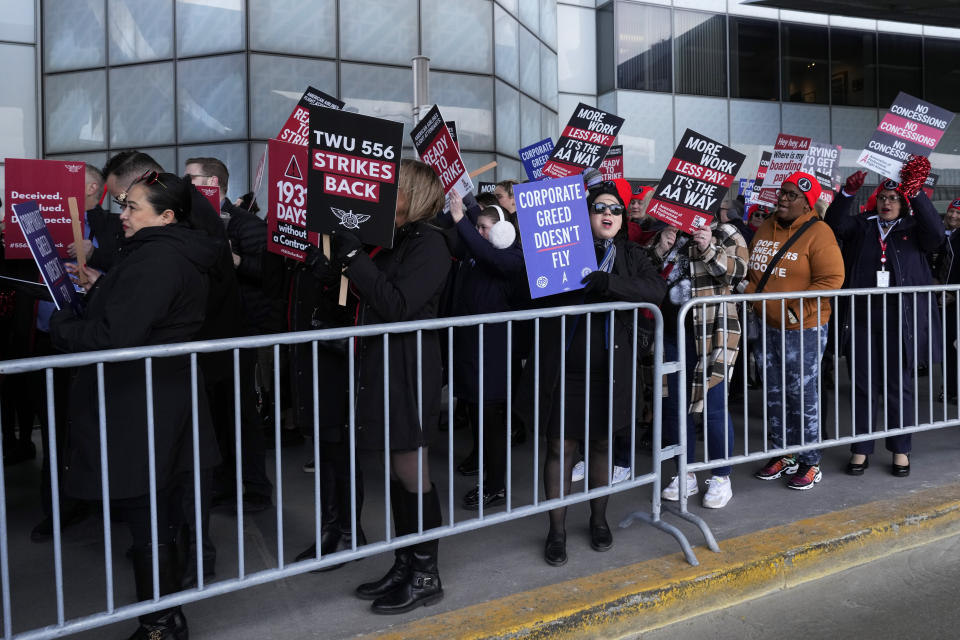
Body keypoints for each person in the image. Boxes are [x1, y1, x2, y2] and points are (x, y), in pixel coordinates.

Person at [49, 171, 221, 640]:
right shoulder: (164, 253)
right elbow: (143, 312)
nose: (121, 216)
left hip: (143, 402)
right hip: (155, 396)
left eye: (132, 208)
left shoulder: (157, 260)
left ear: (167, 216)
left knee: (149, 515)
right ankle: (165, 618)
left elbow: (114, 336)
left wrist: (62, 322)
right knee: (154, 512)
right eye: (123, 206)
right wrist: (102, 286)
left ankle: (161, 625)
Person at [318, 159, 450, 614]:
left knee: (412, 470)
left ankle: (427, 573)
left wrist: (354, 258)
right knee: (397, 470)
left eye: (393, 189)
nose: (381, 195)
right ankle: (406, 562)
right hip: (384, 362)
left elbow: (398, 305)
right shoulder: (397, 240)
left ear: (414, 196)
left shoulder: (430, 244)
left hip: (410, 366)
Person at [517, 182, 666, 566]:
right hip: (563, 369)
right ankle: (557, 529)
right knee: (559, 448)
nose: (609, 214)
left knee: (602, 444)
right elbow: (529, 290)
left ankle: (599, 520)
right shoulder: (559, 250)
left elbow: (655, 290)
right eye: (600, 207)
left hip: (610, 371)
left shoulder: (631, 254)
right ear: (584, 214)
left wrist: (610, 283)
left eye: (616, 210)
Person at [826, 172, 944, 477]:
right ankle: (861, 449)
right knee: (863, 386)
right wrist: (847, 193)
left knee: (898, 386)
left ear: (903, 204)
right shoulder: (863, 225)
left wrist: (915, 191)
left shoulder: (914, 227)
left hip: (899, 320)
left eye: (894, 198)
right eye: (882, 197)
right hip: (863, 318)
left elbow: (937, 235)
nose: (887, 202)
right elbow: (834, 224)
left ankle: (900, 450)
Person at [746, 172, 845, 490]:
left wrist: (794, 310)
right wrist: (751, 298)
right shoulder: (765, 226)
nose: (782, 199)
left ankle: (810, 461)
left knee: (802, 395)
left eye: (791, 195)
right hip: (768, 327)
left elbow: (831, 279)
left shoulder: (820, 232)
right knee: (774, 394)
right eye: (782, 193)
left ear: (807, 202)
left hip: (804, 329)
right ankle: (783, 453)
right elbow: (753, 269)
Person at [650, 206, 748, 509]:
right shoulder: (668, 231)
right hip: (671, 331)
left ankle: (721, 475)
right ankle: (685, 472)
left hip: (713, 331)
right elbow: (645, 275)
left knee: (714, 406)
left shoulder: (727, 232)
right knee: (675, 406)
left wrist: (708, 247)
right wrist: (659, 248)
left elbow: (740, 273)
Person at [445, 191, 525, 509]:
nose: (478, 233)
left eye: (485, 227)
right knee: (477, 418)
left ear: (504, 230)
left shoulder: (511, 258)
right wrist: (460, 208)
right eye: (476, 227)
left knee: (491, 424)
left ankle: (496, 486)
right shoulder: (477, 253)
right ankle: (485, 471)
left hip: (491, 356)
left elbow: (490, 255)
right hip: (470, 351)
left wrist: (461, 219)